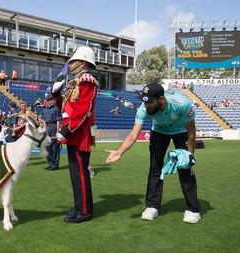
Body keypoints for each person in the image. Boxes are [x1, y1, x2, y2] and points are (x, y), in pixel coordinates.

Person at [105, 83, 201, 224]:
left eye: (150, 102)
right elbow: (133, 134)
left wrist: (190, 155)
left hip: (181, 131)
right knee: (155, 168)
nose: (146, 105)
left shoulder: (182, 104)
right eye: (144, 101)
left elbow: (191, 132)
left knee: (185, 168)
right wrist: (119, 152)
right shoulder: (144, 109)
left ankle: (193, 210)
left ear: (161, 99)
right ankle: (152, 206)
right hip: (159, 132)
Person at [51, 46, 98, 223]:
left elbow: (82, 110)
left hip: (79, 135)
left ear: (83, 62)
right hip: (73, 134)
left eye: (73, 61)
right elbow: (65, 107)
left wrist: (66, 130)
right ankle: (80, 207)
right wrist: (56, 95)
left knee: (80, 174)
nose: (70, 65)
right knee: (75, 175)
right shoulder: (75, 83)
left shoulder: (87, 81)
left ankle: (84, 211)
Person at [41, 94, 62, 171]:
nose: (52, 101)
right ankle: (49, 164)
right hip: (47, 128)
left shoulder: (56, 109)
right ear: (47, 101)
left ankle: (55, 165)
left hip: (54, 127)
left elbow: (58, 121)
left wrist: (57, 131)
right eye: (50, 100)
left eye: (52, 100)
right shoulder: (45, 110)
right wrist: (44, 130)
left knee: (55, 148)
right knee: (48, 148)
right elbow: (44, 121)